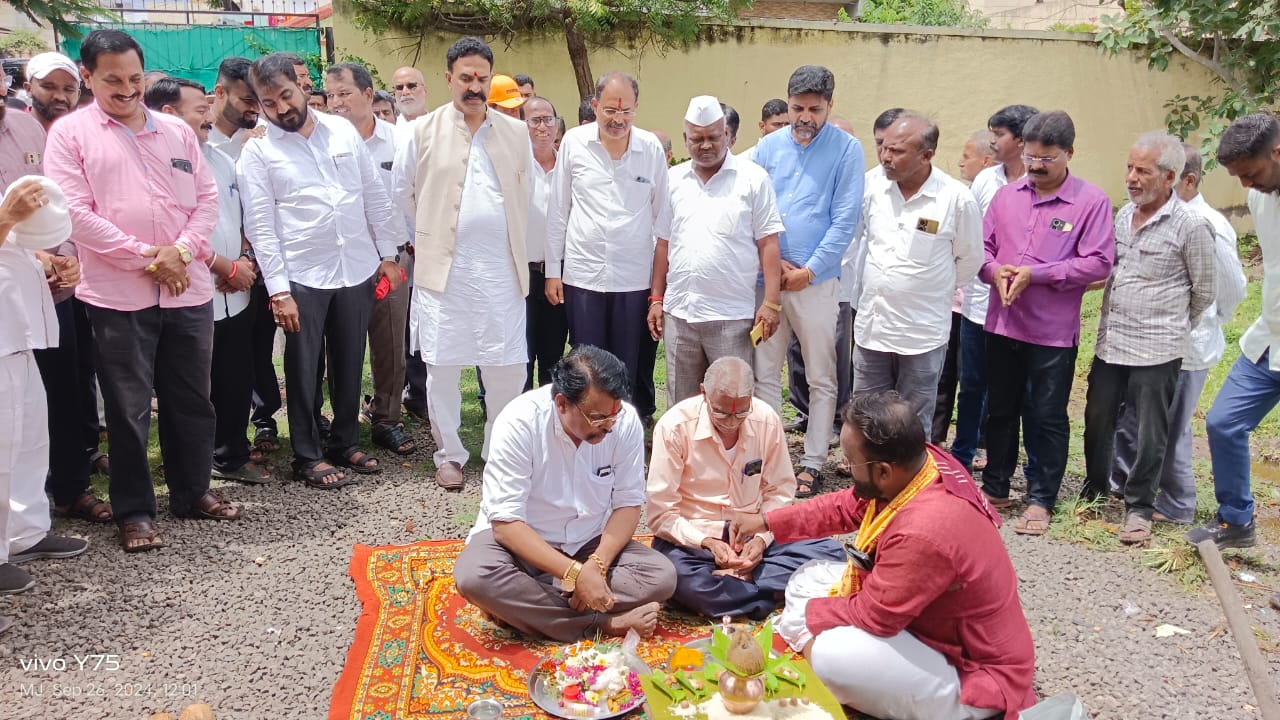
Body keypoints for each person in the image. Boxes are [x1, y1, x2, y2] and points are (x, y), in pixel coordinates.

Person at [45, 29, 240, 553]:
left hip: (188, 288)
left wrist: (179, 252)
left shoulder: (175, 133)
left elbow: (205, 199)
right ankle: (134, 511)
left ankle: (193, 491)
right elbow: (75, 214)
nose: (127, 89)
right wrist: (146, 258)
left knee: (192, 399)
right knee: (128, 406)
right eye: (113, 80)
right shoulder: (70, 136)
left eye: (134, 78)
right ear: (87, 77)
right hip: (117, 295)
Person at [731, 390, 1035, 720]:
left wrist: (808, 617)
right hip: (922, 621)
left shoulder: (925, 530)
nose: (846, 467)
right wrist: (765, 520)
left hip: (971, 672)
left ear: (884, 472)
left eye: (851, 462)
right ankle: (808, 637)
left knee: (834, 654)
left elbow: (874, 616)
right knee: (810, 576)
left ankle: (813, 649)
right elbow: (844, 506)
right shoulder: (920, 465)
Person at [238, 53, 408, 488]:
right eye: (269, 103)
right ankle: (307, 453)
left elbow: (373, 195)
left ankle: (345, 441)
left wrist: (387, 252)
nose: (281, 110)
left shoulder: (342, 132)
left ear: (304, 87)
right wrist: (278, 290)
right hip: (301, 274)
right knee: (302, 365)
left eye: (286, 96)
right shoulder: (258, 151)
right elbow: (260, 226)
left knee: (351, 359)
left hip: (355, 267)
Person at [453, 346, 677, 641]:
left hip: (588, 543)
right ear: (561, 404)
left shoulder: (624, 422)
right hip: (521, 547)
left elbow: (628, 504)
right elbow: (507, 526)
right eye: (598, 418)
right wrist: (575, 574)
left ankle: (523, 606)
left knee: (661, 577)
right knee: (475, 576)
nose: (610, 425)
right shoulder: (519, 422)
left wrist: (596, 565)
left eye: (615, 414)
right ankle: (602, 624)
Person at [392, 37, 533, 491]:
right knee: (443, 367)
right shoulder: (423, 131)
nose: (474, 87)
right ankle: (449, 453)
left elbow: (525, 194)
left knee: (508, 367)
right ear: (449, 79)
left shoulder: (515, 132)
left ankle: (499, 452)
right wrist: (429, 238)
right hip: (443, 275)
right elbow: (403, 194)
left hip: (501, 272)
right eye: (466, 78)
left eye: (482, 78)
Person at [979, 111, 1114, 533]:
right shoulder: (1006, 197)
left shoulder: (1091, 202)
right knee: (998, 411)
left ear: (1070, 154)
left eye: (1047, 159)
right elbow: (981, 250)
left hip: (1052, 332)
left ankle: (1041, 497)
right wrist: (995, 271)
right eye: (1031, 157)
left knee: (1046, 414)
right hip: (1002, 324)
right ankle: (995, 488)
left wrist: (1037, 274)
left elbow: (1098, 262)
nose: (1035, 166)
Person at [1081, 133, 1216, 544]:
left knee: (1149, 431)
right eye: (1129, 167)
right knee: (1098, 416)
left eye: (1143, 171)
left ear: (1170, 177)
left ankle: (1139, 507)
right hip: (1113, 341)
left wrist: (1171, 324)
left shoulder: (1191, 225)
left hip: (1159, 346)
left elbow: (1204, 290)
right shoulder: (1125, 215)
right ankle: (1096, 489)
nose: (1131, 177)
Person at [1111, 143, 1246, 525]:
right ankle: (1127, 485)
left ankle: (1177, 505)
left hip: (1186, 345)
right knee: (1135, 418)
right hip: (1142, 342)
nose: (1138, 180)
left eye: (1153, 172)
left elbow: (1231, 288)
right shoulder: (1137, 215)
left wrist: (1200, 320)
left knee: (1170, 429)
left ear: (1184, 179)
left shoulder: (1207, 223)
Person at [647, 357, 843, 619]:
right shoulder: (674, 427)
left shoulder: (766, 420)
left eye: (741, 412)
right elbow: (661, 514)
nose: (731, 421)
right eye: (721, 412)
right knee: (672, 579)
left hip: (754, 536)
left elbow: (780, 492)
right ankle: (775, 590)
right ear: (704, 393)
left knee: (832, 552)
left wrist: (762, 540)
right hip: (693, 542)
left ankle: (740, 583)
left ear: (751, 397)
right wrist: (705, 542)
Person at [144, 77, 267, 485]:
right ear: (169, 114)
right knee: (190, 389)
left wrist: (244, 261)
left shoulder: (219, 158)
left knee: (236, 378)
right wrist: (222, 266)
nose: (209, 116)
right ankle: (188, 467)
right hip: (193, 292)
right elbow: (170, 231)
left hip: (237, 290)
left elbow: (242, 217)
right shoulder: (153, 164)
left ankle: (231, 453)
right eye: (200, 109)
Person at [751, 65, 864, 498]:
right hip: (769, 282)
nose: (804, 117)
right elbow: (754, 207)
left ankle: (813, 461)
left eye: (814, 109)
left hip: (816, 284)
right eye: (797, 108)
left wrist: (809, 270)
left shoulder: (847, 150)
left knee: (821, 375)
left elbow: (844, 221)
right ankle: (769, 456)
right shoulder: (767, 148)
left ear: (830, 106)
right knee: (764, 370)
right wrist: (776, 270)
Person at [545, 72, 670, 420]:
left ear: (636, 108)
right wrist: (553, 272)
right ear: (596, 106)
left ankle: (622, 432)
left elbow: (664, 222)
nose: (618, 119)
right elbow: (559, 210)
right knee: (585, 361)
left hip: (634, 277)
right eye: (611, 110)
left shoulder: (650, 150)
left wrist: (658, 289)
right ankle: (583, 427)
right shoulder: (573, 142)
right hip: (583, 274)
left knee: (627, 362)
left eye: (626, 111)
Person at [648, 96, 783, 403]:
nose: (705, 145)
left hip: (732, 317)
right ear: (685, 139)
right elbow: (663, 244)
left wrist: (772, 303)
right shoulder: (673, 180)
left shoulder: (752, 179)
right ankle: (684, 453)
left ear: (727, 135)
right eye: (697, 138)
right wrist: (656, 298)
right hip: (680, 314)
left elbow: (769, 243)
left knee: (732, 401)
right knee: (681, 403)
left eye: (713, 137)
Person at [854, 112, 983, 434]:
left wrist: (931, 290)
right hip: (874, 327)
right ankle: (870, 480)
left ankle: (914, 484)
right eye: (883, 147)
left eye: (897, 151)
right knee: (866, 415)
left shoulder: (955, 199)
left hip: (922, 333)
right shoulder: (872, 188)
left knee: (912, 423)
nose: (886, 156)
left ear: (927, 156)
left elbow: (969, 259)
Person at [1188, 113, 1280, 550]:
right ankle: (1236, 521)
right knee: (1224, 423)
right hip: (1269, 340)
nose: (1245, 186)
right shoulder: (1263, 198)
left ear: (1277, 152)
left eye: (1250, 173)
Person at [0, 176, 90, 609]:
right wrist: (6, 218)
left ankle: (24, 533)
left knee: (28, 438)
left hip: (14, 328)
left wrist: (48, 261)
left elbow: (11, 243)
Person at [326, 61, 417, 457]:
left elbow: (417, 194)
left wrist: (412, 245)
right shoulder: (322, 142)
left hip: (391, 261)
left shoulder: (400, 141)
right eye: (330, 95)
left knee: (390, 343)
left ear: (368, 94)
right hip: (340, 263)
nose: (336, 102)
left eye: (344, 93)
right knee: (340, 346)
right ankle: (340, 422)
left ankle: (387, 419)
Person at [790, 110, 900, 439]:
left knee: (833, 357)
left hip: (839, 286)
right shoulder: (807, 177)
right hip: (797, 280)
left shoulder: (861, 182)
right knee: (797, 352)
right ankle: (804, 412)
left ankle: (836, 421)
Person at [952, 105, 1038, 473]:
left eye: (999, 134)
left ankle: (1003, 456)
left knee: (1014, 388)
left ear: (1020, 141)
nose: (992, 141)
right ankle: (962, 453)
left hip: (1021, 304)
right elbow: (975, 238)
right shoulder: (987, 180)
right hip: (978, 299)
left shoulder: (1041, 180)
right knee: (971, 383)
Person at [207, 57, 279, 459]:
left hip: (252, 272)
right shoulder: (200, 145)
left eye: (259, 100)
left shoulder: (260, 142)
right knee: (213, 370)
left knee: (251, 359)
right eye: (247, 98)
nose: (256, 107)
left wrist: (246, 259)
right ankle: (216, 449)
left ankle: (244, 435)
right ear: (220, 93)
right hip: (210, 276)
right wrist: (223, 264)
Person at [523, 95, 568, 390]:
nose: (543, 127)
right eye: (535, 120)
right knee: (520, 354)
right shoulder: (514, 167)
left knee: (553, 354)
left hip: (559, 274)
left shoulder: (569, 166)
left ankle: (551, 417)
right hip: (520, 274)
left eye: (548, 119)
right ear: (522, 125)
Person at [23, 52, 81, 132]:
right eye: (49, 87)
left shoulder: (86, 132)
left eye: (69, 90)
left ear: (78, 94)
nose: (60, 97)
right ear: (29, 89)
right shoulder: (12, 130)